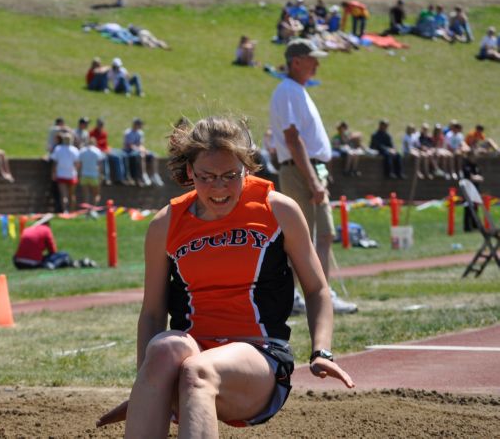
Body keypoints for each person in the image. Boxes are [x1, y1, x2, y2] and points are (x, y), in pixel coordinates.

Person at [96, 115, 354, 434]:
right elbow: (151, 312)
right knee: (164, 349)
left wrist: (321, 351)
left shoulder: (278, 210)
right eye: (207, 177)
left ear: (246, 167)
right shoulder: (165, 224)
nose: (219, 188)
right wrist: (148, 387)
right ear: (190, 171)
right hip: (192, 347)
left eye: (230, 175)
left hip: (259, 356)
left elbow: (316, 289)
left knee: (197, 371)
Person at [269, 39, 357, 315]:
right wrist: (313, 179)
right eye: (312, 58)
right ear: (296, 61)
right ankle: (310, 295)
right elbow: (293, 139)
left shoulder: (296, 90)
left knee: (321, 233)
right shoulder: (288, 91)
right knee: (303, 236)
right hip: (301, 171)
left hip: (307, 169)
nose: (317, 64)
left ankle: (311, 294)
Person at [12, 215, 83, 270]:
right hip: (33, 263)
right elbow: (53, 251)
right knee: (64, 255)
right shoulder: (46, 230)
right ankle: (52, 265)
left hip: (18, 262)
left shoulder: (28, 229)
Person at [123, 118, 164, 187]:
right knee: (142, 155)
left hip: (138, 150)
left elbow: (141, 145)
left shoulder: (140, 133)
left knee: (154, 156)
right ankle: (143, 174)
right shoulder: (128, 133)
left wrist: (144, 150)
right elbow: (130, 145)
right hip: (129, 151)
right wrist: (140, 150)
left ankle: (154, 175)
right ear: (135, 125)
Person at [50, 133, 80, 212]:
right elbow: (77, 163)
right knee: (72, 195)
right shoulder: (74, 150)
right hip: (71, 174)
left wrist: (53, 173)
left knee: (63, 195)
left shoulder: (58, 149)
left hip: (61, 174)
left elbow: (55, 162)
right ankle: (71, 211)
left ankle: (65, 210)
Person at [78, 137, 104, 209]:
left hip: (84, 174)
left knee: (85, 195)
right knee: (96, 194)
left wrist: (78, 174)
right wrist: (101, 174)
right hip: (94, 175)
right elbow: (100, 165)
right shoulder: (97, 151)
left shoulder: (82, 151)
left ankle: (86, 210)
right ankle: (94, 209)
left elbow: (79, 164)